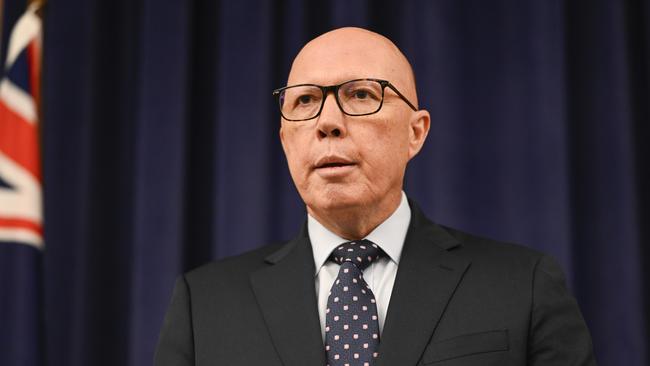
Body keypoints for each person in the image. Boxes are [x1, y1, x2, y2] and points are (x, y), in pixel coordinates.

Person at [154, 27, 596, 366]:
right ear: (285, 137)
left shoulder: (524, 285)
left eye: (361, 94)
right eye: (305, 101)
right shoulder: (203, 304)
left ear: (416, 132)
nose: (327, 121)